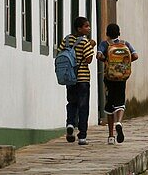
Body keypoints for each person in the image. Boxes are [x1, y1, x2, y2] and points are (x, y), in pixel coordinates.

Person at [56, 17, 96, 146]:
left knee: (72, 103)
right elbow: (89, 59)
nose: (88, 28)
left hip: (70, 78)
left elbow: (59, 54)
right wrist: (91, 45)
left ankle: (70, 123)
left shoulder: (66, 40)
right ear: (79, 28)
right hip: (82, 78)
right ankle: (82, 136)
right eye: (86, 26)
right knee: (83, 107)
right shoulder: (84, 42)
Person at [96, 23, 139, 145]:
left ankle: (111, 136)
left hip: (109, 78)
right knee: (120, 102)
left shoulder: (105, 44)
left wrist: (107, 61)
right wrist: (124, 64)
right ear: (119, 33)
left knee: (110, 105)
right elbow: (135, 55)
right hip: (122, 77)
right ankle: (119, 122)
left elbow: (98, 55)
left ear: (107, 34)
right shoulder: (125, 44)